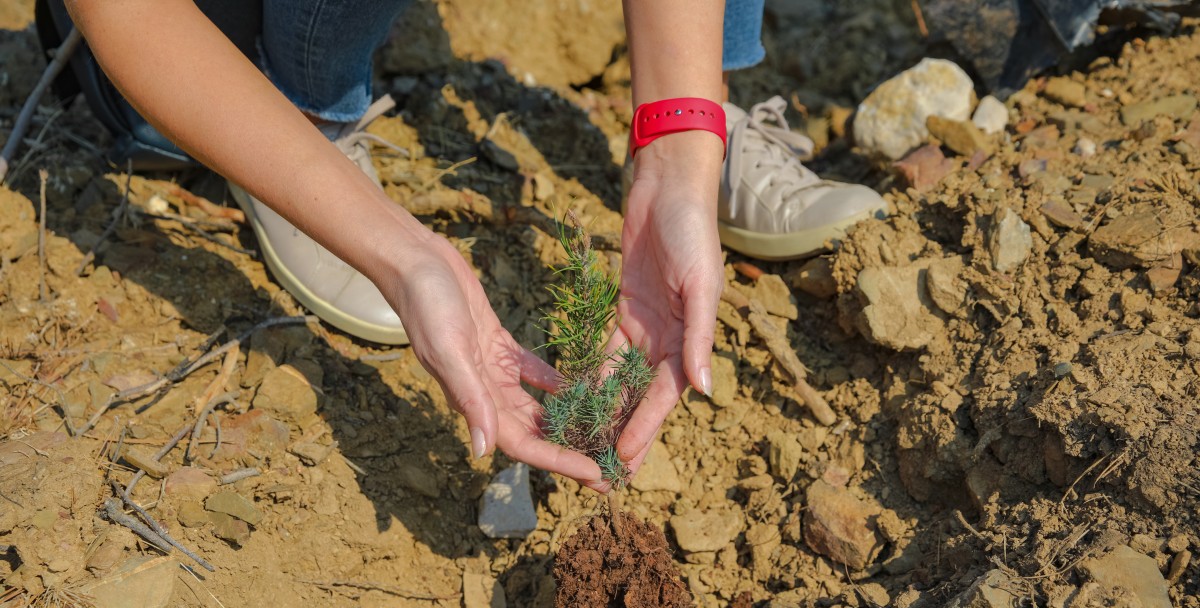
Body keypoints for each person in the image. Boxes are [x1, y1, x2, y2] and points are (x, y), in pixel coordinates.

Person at [58, 0, 882, 490]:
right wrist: (402, 253)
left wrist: (678, 151)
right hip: (189, 47)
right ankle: (302, 116)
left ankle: (708, 113)